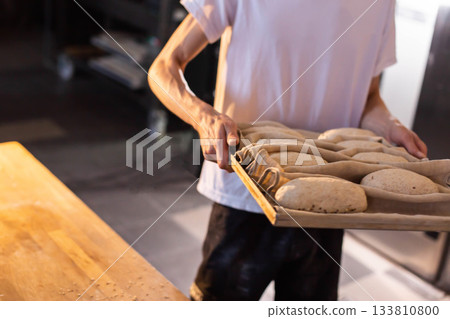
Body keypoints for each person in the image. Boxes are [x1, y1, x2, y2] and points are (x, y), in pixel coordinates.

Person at [148, 0, 428, 300]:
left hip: (328, 199)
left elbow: (368, 97)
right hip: (247, 195)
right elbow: (164, 67)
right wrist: (203, 117)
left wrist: (389, 125)